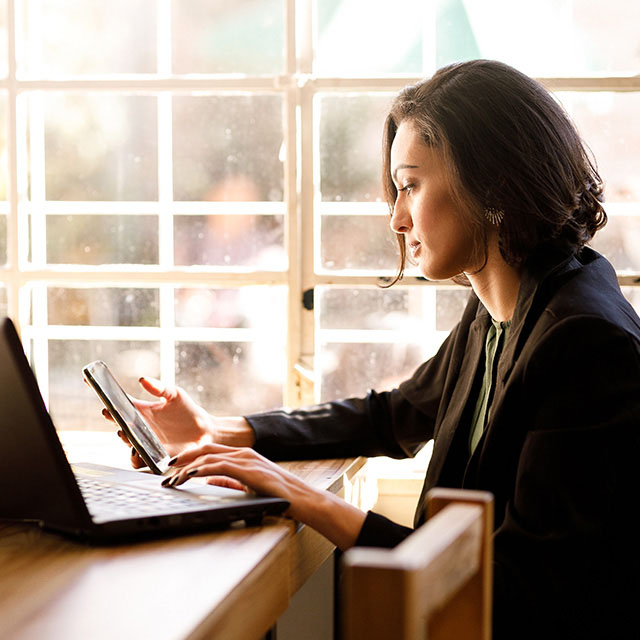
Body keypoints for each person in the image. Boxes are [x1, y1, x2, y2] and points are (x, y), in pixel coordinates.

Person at [108, 60, 640, 638]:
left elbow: (513, 593)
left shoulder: (586, 343)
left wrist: (299, 496)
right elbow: (396, 415)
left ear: (492, 184)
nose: (396, 217)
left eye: (410, 186)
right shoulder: (506, 303)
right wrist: (224, 431)